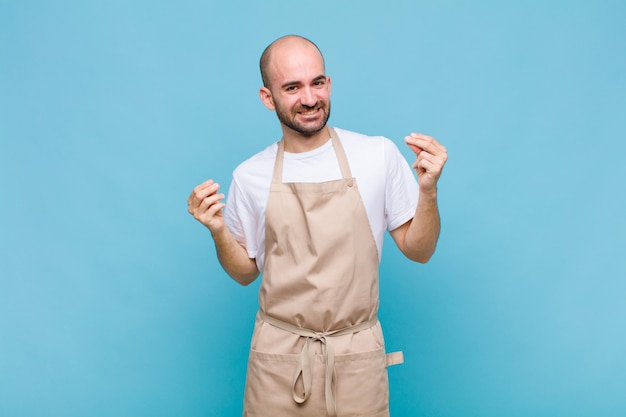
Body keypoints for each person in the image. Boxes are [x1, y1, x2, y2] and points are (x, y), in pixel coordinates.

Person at [188, 35, 447, 417]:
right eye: (292, 87)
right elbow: (245, 273)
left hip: (356, 355)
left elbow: (419, 250)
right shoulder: (250, 175)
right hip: (280, 361)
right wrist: (218, 230)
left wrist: (428, 192)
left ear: (329, 83)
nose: (309, 98)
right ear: (267, 96)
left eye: (317, 82)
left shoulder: (376, 155)